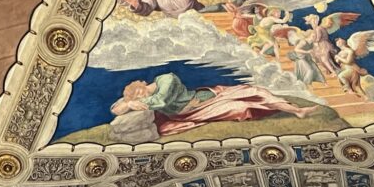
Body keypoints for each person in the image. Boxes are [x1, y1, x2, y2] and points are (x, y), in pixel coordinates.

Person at [109, 73, 317, 138]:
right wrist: (128, 104)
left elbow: (162, 100)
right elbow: (116, 108)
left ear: (142, 85)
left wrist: (136, 102)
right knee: (239, 108)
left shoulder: (167, 79)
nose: (141, 95)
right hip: (193, 113)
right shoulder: (144, 99)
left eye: (139, 91)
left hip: (206, 99)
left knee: (254, 91)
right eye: (137, 96)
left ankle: (297, 110)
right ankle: (291, 110)